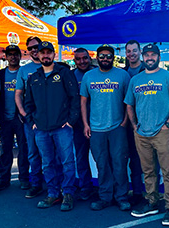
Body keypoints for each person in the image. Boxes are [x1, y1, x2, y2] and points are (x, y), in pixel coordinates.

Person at [125, 43, 169, 226]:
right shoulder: (136, 79)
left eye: (153, 55)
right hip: (142, 133)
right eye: (147, 55)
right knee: (148, 171)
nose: (150, 58)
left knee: (168, 171)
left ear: (158, 57)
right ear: (143, 57)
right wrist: (134, 125)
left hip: (163, 133)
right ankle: (152, 202)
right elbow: (129, 104)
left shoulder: (168, 77)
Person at [25, 41, 80, 211]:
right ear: (38, 55)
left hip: (62, 127)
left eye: (49, 52)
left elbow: (74, 98)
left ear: (54, 54)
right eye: (42, 53)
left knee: (67, 162)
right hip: (41, 129)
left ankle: (68, 194)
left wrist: (71, 121)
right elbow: (28, 103)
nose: (45, 55)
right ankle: (53, 194)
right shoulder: (33, 77)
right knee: (47, 163)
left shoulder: (64, 73)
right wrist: (32, 122)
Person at [80, 44, 131, 211]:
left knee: (119, 163)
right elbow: (83, 101)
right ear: (97, 57)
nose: (105, 59)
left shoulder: (123, 75)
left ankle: (121, 197)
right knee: (102, 164)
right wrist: (86, 124)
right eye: (102, 56)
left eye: (109, 56)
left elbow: (129, 101)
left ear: (113, 58)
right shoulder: (88, 76)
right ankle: (105, 197)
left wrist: (124, 122)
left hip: (117, 127)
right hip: (96, 129)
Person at [0, 45, 30, 191]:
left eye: (16, 54)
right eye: (10, 54)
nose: (13, 57)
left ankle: (23, 179)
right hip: (5, 119)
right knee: (5, 150)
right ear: (6, 57)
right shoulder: (0, 75)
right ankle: (4, 179)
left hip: (20, 118)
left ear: (20, 56)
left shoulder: (23, 73)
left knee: (23, 149)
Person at [15, 36, 44, 199]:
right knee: (32, 152)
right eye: (31, 48)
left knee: (50, 152)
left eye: (37, 47)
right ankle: (36, 184)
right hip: (31, 119)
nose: (34, 50)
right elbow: (18, 94)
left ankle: (54, 183)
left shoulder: (51, 65)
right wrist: (23, 113)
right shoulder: (24, 70)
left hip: (50, 119)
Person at [123, 40, 145, 205]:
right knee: (133, 160)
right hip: (128, 124)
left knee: (151, 161)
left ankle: (154, 194)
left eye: (134, 50)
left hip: (148, 123)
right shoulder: (122, 72)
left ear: (140, 51)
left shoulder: (148, 70)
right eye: (129, 51)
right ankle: (137, 192)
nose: (132, 54)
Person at [71, 47, 95, 200]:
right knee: (81, 156)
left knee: (103, 158)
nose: (82, 61)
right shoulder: (71, 76)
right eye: (78, 59)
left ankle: (108, 188)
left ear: (90, 58)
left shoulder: (98, 72)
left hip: (100, 122)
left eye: (84, 58)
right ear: (74, 61)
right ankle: (86, 186)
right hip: (78, 123)